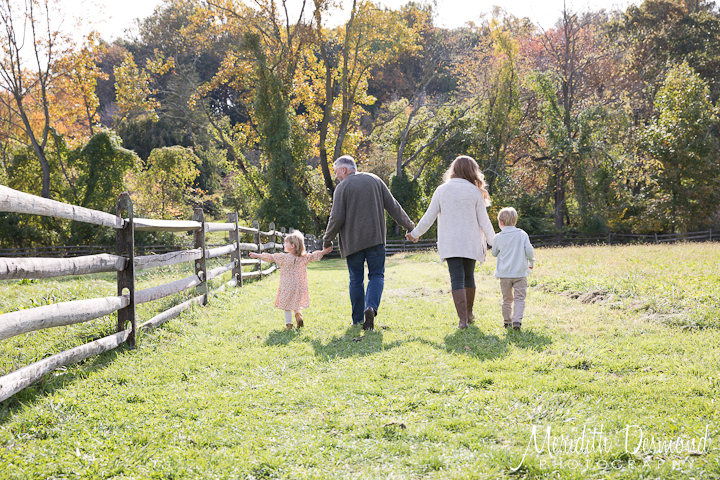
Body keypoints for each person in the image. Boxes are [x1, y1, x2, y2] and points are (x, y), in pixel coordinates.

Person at [323, 155, 415, 330]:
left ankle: (357, 319)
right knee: (377, 275)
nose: (335, 176)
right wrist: (410, 227)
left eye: (336, 172)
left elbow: (336, 218)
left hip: (352, 243)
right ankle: (371, 307)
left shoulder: (342, 188)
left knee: (355, 280)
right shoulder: (375, 180)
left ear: (344, 170)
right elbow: (393, 206)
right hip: (376, 239)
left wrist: (327, 240)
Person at [406, 155, 496, 329]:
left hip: (451, 243)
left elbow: (428, 217)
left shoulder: (442, 190)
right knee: (469, 276)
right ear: (472, 171)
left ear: (453, 170)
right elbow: (484, 221)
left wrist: (415, 233)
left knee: (456, 277)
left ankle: (462, 320)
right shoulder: (475, 192)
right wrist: (495, 242)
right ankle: (469, 314)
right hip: (470, 242)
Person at [250, 230, 332, 330]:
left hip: (287, 286)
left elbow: (270, 257)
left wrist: (257, 255)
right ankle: (298, 315)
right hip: (299, 285)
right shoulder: (303, 257)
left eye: (286, 243)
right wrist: (324, 251)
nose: (284, 244)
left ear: (293, 246)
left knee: (287, 305)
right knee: (296, 301)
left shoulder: (283, 257)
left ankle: (289, 325)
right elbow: (314, 256)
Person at [491, 207, 535, 331]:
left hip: (504, 274)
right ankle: (517, 321)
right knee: (519, 298)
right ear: (515, 220)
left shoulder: (498, 237)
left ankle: (507, 321)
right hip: (520, 273)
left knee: (507, 299)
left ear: (500, 221)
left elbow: (494, 253)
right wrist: (531, 262)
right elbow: (529, 250)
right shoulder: (522, 234)